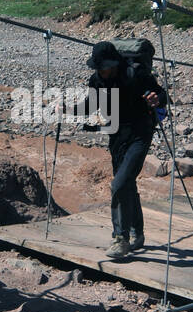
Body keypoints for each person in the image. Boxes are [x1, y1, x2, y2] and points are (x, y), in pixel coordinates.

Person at [70, 41, 167, 258]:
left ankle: (120, 239)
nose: (100, 71)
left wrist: (156, 99)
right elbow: (91, 105)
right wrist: (69, 109)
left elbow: (163, 96)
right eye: (98, 67)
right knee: (126, 184)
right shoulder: (97, 80)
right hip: (116, 136)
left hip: (140, 134)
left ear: (114, 64)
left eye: (103, 67)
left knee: (119, 184)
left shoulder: (136, 74)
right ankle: (137, 233)